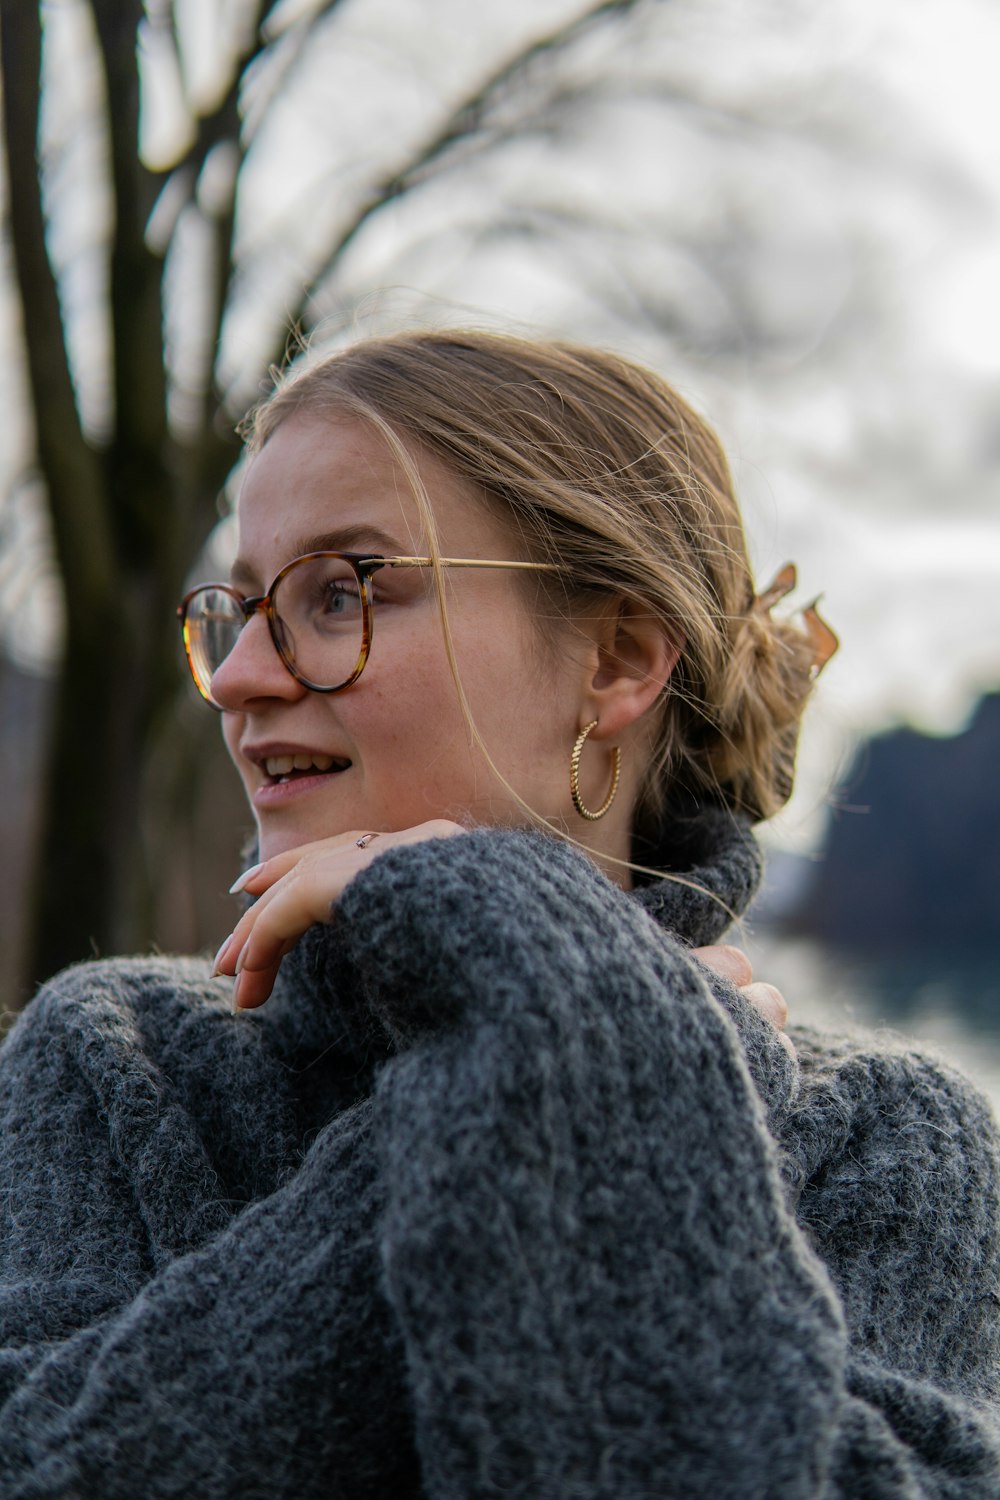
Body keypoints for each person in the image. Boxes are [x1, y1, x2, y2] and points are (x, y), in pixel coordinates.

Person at [0, 330, 997, 1499]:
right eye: (238, 607)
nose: (236, 678)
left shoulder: (884, 1140)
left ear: (616, 661)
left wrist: (549, 981)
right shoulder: (112, 1064)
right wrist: (557, 1038)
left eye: (338, 593)